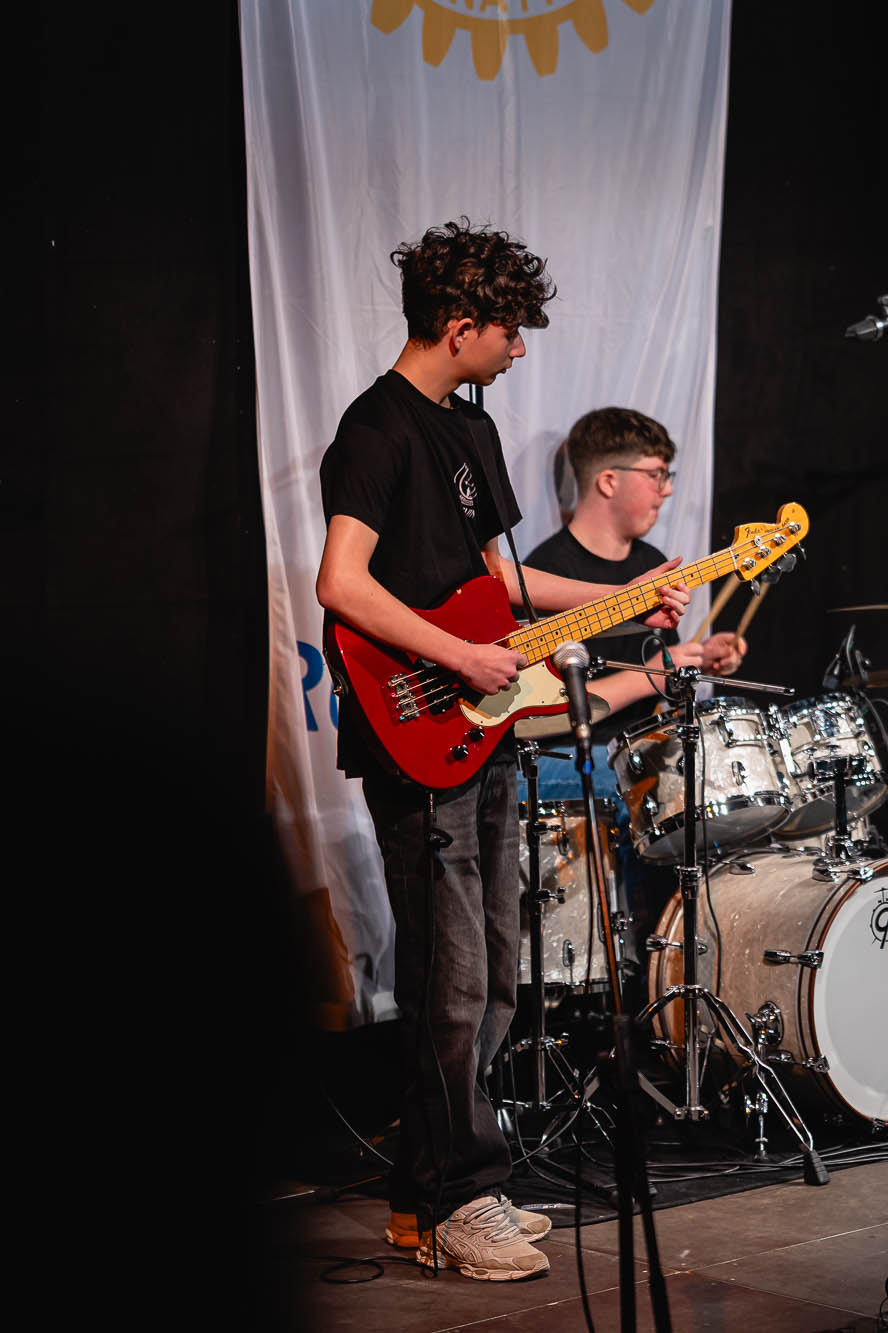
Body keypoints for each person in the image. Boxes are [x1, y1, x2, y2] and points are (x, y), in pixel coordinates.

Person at [315, 220, 689, 1279]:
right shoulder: (373, 430)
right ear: (460, 325)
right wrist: (456, 655)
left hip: (481, 731)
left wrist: (627, 597)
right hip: (417, 726)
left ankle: (432, 1194)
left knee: (494, 978)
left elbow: (504, 583)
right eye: (509, 331)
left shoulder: (469, 430)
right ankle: (453, 1199)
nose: (519, 350)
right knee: (451, 983)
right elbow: (340, 583)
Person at [525, 406, 746, 745]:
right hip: (572, 759)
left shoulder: (651, 562)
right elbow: (538, 716)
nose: (667, 490)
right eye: (656, 474)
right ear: (609, 482)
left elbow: (660, 677)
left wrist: (696, 660)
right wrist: (650, 676)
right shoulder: (545, 574)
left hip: (639, 752)